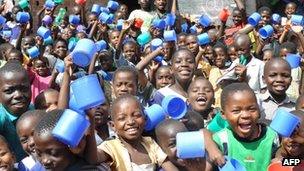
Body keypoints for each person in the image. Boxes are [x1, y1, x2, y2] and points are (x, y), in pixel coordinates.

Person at [96, 95, 178, 170]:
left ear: (145, 119)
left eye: (136, 115)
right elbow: (93, 158)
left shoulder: (150, 143)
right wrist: (90, 119)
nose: (131, 122)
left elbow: (169, 167)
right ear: (113, 126)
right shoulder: (111, 147)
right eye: (122, 118)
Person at [212, 83, 279, 171]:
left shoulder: (271, 137)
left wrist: (282, 160)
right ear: (223, 114)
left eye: (251, 109)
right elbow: (203, 134)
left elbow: (293, 162)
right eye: (236, 111)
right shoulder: (221, 140)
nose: (246, 115)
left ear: (259, 110)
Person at [33, 109, 110, 171]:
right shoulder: (38, 168)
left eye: (53, 153)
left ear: (74, 147)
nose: (45, 161)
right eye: (39, 154)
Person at [0, 61, 32, 161]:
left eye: (24, 89)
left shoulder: (34, 111)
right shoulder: (2, 117)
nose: (18, 95)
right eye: (9, 91)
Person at [257, 58, 295, 125]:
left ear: (291, 80)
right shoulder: (257, 102)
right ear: (264, 79)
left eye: (285, 76)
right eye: (273, 75)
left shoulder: (295, 106)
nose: (279, 80)